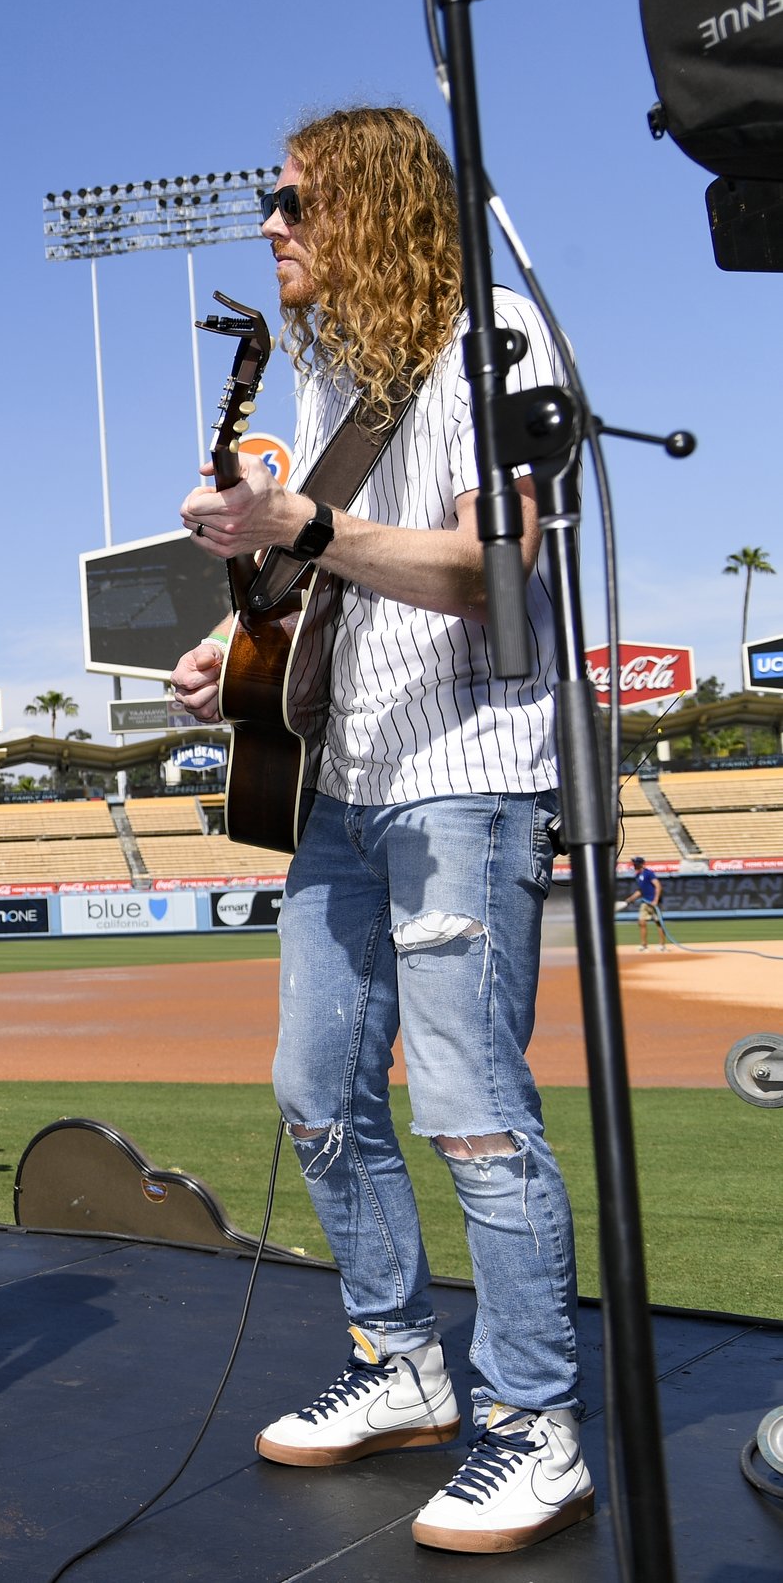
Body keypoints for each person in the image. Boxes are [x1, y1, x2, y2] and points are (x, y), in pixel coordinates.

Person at [168, 108, 588, 1555]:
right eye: (266, 198)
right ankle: (400, 1355)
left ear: (380, 205)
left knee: (470, 1103)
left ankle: (535, 1425)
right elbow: (339, 582)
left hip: (467, 770)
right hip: (348, 778)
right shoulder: (342, 371)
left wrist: (305, 531)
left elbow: (491, 568)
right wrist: (245, 642)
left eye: (293, 197)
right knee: (313, 1089)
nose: (269, 221)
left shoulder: (496, 337)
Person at [620, 855, 670, 952]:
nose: (634, 865)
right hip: (645, 902)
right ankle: (644, 945)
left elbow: (658, 886)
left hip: (654, 903)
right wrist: (630, 899)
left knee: (659, 923)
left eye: (636, 863)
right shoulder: (637, 876)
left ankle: (662, 945)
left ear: (641, 864)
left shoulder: (649, 873)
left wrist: (655, 900)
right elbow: (640, 891)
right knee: (641, 922)